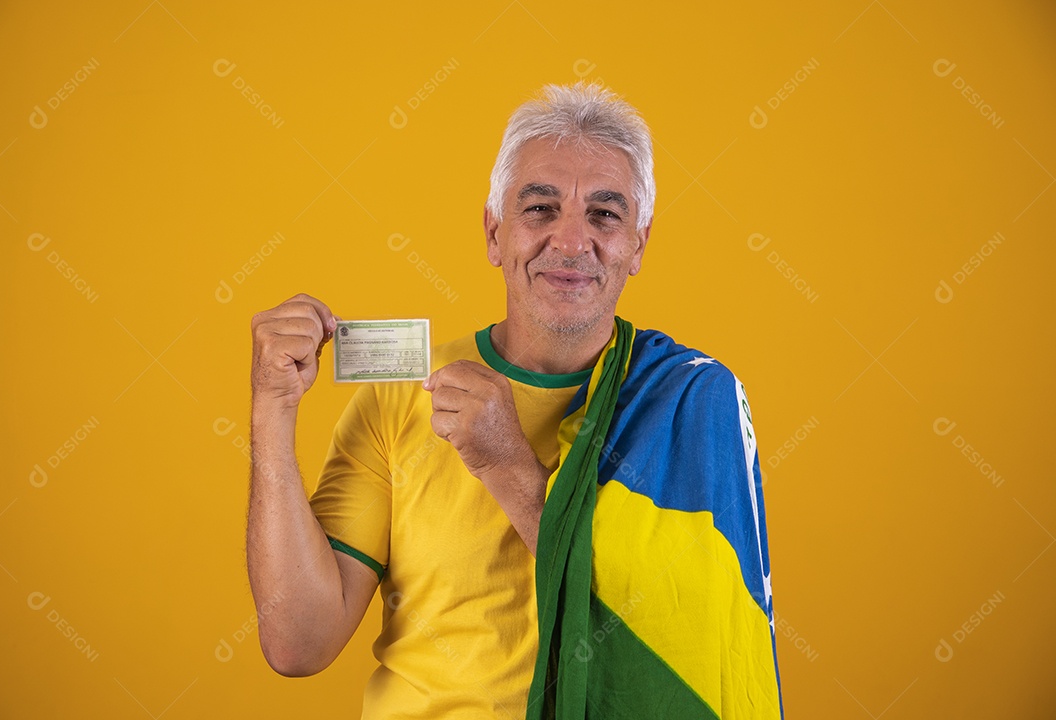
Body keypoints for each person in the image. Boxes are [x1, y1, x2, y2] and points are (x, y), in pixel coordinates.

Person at [247, 82, 784, 719]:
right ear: (494, 233)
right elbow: (299, 642)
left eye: (604, 215)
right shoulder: (399, 398)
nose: (571, 241)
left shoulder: (692, 400)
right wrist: (273, 409)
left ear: (638, 244)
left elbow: (685, 640)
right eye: (540, 209)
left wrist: (508, 467)